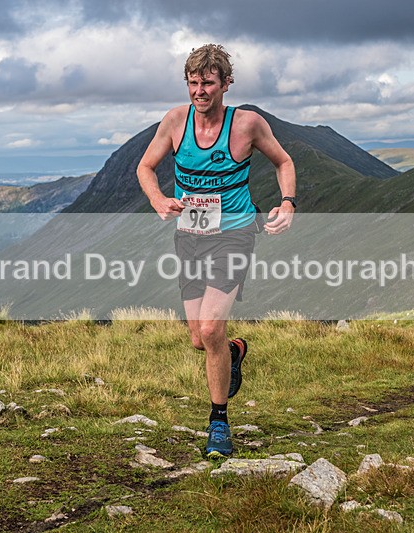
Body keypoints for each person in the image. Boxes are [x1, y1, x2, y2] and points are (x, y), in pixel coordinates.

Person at [137, 44, 296, 457]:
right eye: (193, 83)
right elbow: (145, 167)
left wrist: (287, 203)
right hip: (190, 236)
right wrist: (157, 199)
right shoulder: (176, 121)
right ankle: (234, 350)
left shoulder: (247, 124)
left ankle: (219, 424)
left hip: (234, 235)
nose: (199, 91)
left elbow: (283, 161)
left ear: (226, 84)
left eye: (208, 83)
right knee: (199, 338)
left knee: (210, 329)